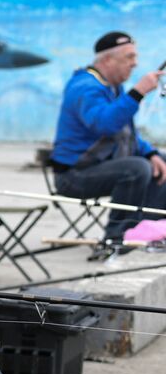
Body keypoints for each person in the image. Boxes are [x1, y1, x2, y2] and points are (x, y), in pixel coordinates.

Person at [49, 31, 166, 244]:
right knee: (136, 168)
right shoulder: (85, 87)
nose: (135, 64)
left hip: (101, 166)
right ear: (107, 60)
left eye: (135, 57)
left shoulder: (112, 87)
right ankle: (118, 235)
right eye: (128, 58)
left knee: (160, 161)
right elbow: (104, 124)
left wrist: (150, 152)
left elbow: (126, 134)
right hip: (73, 175)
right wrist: (138, 92)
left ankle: (150, 229)